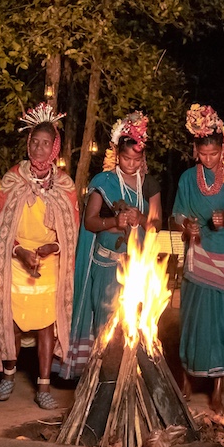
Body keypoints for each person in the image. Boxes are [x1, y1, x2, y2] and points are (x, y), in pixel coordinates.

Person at [0, 101, 79, 409]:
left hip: (49, 262)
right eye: (35, 142)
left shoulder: (64, 184)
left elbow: (70, 230)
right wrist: (19, 250)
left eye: (45, 143)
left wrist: (53, 247)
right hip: (16, 260)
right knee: (13, 320)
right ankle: (8, 376)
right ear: (28, 143)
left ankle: (43, 386)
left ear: (54, 148)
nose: (39, 149)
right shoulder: (12, 179)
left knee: (46, 324)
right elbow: (0, 225)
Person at [174, 104, 224, 413]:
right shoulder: (186, 178)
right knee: (192, 319)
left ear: (223, 149)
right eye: (204, 153)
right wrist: (186, 224)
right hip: (197, 255)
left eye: (214, 153)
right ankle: (186, 381)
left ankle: (218, 392)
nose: (209, 159)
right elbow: (176, 215)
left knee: (222, 322)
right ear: (196, 151)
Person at [67, 111, 161, 375]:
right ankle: (103, 379)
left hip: (136, 268)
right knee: (106, 325)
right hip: (106, 265)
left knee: (134, 325)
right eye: (126, 158)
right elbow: (90, 222)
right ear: (117, 154)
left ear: (143, 158)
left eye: (137, 159)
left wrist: (141, 218)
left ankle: (130, 379)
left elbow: (156, 223)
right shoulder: (103, 181)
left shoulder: (149, 184)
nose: (131, 164)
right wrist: (114, 222)